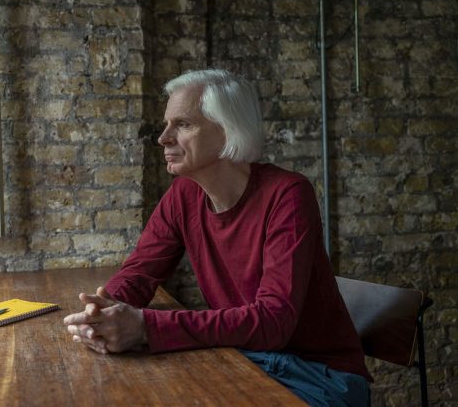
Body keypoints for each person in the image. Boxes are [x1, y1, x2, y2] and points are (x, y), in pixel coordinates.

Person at [64, 69, 372, 407]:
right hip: (243, 359)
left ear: (227, 131)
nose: (163, 138)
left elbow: (274, 322)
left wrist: (145, 327)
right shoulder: (183, 195)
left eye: (183, 125)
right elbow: (139, 274)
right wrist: (102, 313)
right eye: (168, 124)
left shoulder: (288, 194)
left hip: (317, 376)